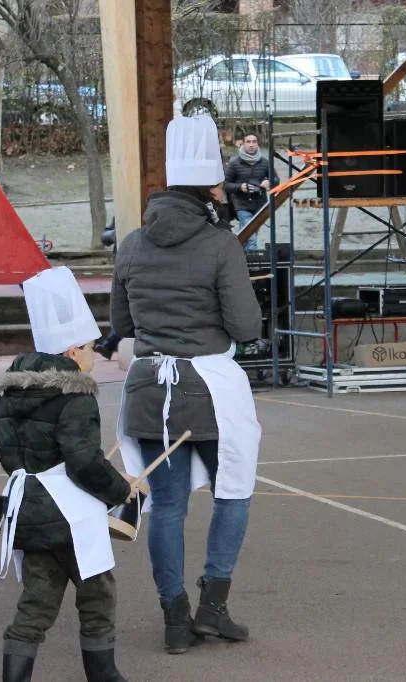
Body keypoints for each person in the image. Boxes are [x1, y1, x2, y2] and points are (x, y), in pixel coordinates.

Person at [110, 114, 263, 654]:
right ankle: (213, 607)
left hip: (150, 386)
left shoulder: (131, 244)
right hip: (210, 385)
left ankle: (174, 617)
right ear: (212, 190)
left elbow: (122, 324)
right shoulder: (221, 244)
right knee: (233, 491)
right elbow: (246, 327)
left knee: (167, 505)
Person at [0, 266, 133, 682]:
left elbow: (7, 453)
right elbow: (84, 460)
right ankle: (104, 676)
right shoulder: (75, 391)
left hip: (28, 508)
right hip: (71, 515)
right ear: (73, 352)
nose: (93, 354)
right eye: (90, 347)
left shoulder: (13, 388)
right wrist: (120, 489)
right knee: (97, 595)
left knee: (36, 602)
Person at [224, 132, 278, 252]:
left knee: (249, 234)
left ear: (257, 144)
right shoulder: (234, 164)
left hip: (260, 204)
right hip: (242, 205)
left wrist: (269, 182)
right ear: (243, 144)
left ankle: (240, 255)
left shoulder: (265, 162)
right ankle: (253, 259)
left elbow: (276, 180)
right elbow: (225, 184)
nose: (251, 144)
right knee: (251, 236)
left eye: (254, 141)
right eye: (248, 142)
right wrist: (240, 187)